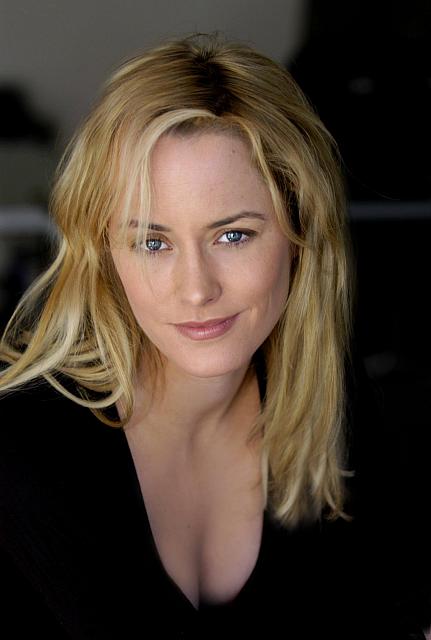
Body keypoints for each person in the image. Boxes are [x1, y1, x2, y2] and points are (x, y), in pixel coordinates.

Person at [0, 33, 429, 639]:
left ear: (299, 232)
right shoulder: (23, 447)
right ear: (106, 253)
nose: (196, 288)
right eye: (153, 242)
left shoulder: (329, 397)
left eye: (233, 235)